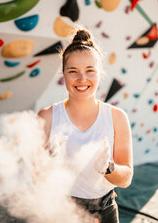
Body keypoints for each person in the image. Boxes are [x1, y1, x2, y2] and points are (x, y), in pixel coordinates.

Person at [38, 28, 133, 223]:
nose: (82, 80)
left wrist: (109, 168)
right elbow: (35, 180)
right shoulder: (47, 117)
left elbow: (126, 179)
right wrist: (49, 166)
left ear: (100, 73)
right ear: (63, 74)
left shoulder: (117, 117)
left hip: (105, 211)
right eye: (73, 71)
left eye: (90, 71)